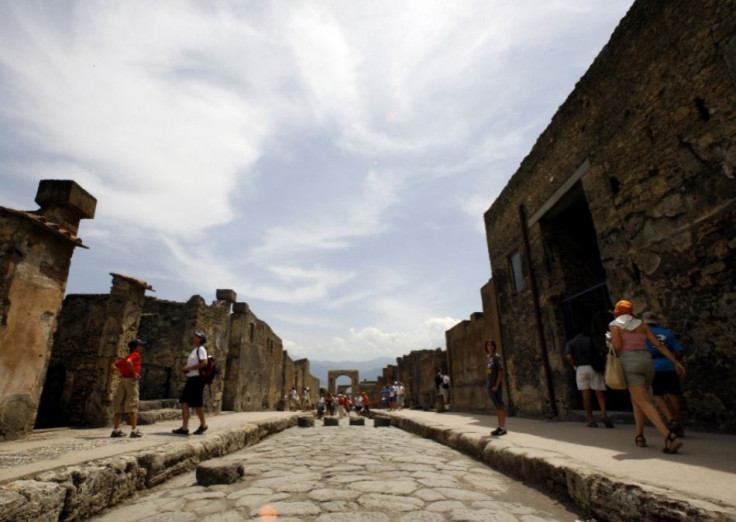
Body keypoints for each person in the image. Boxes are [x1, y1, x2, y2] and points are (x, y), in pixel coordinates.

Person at [608, 300, 685, 453]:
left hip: (630, 363)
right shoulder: (643, 325)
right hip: (647, 362)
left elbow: (617, 347)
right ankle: (640, 435)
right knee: (637, 399)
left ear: (617, 312)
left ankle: (669, 436)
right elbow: (659, 345)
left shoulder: (615, 325)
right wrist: (676, 362)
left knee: (643, 400)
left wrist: (609, 340)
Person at [643, 311, 685, 437]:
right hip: (669, 364)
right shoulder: (668, 333)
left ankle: (670, 419)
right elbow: (679, 351)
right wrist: (675, 361)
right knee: (673, 394)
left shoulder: (643, 334)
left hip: (654, 366)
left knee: (657, 394)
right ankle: (678, 422)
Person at [565, 329, 614, 428]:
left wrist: (574, 365)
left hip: (580, 368)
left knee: (585, 396)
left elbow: (569, 356)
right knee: (599, 393)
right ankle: (603, 414)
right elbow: (599, 352)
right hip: (593, 367)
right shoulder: (590, 340)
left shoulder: (571, 343)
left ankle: (591, 419)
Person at [172, 330, 209, 435]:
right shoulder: (195, 350)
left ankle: (203, 425)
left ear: (200, 339)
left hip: (197, 380)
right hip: (192, 379)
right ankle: (184, 428)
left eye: (195, 336)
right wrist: (187, 369)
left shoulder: (201, 349)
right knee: (184, 402)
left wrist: (189, 368)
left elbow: (204, 363)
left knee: (197, 404)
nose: (193, 337)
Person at [110, 339, 146, 438]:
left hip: (123, 380)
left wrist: (120, 370)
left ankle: (116, 429)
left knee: (119, 404)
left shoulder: (126, 357)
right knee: (132, 403)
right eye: (140, 345)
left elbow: (113, 365)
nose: (142, 347)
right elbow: (129, 362)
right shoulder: (136, 355)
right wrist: (134, 373)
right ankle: (134, 430)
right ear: (134, 347)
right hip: (131, 380)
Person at [484, 340, 508, 436]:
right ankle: (499, 426)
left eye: (491, 345)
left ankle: (503, 427)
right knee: (497, 407)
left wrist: (497, 385)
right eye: (488, 345)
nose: (490, 347)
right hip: (490, 385)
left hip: (495, 386)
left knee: (500, 406)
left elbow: (500, 372)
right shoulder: (488, 358)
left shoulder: (496, 357)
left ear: (494, 346)